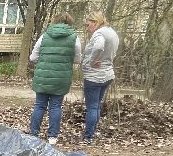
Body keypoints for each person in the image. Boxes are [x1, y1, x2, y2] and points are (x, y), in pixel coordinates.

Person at [28, 10, 82, 146]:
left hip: (43, 76)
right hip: (61, 77)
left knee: (39, 105)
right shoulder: (75, 38)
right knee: (56, 106)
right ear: (70, 23)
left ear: (54, 21)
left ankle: (33, 133)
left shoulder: (44, 36)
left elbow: (33, 57)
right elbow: (77, 59)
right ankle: (52, 136)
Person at [82, 11, 120, 144]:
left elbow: (98, 47)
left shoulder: (99, 33)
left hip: (95, 75)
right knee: (96, 105)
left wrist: (92, 61)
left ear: (95, 22)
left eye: (88, 25)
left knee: (92, 106)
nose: (88, 28)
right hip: (108, 74)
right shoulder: (112, 33)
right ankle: (91, 133)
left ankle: (88, 136)